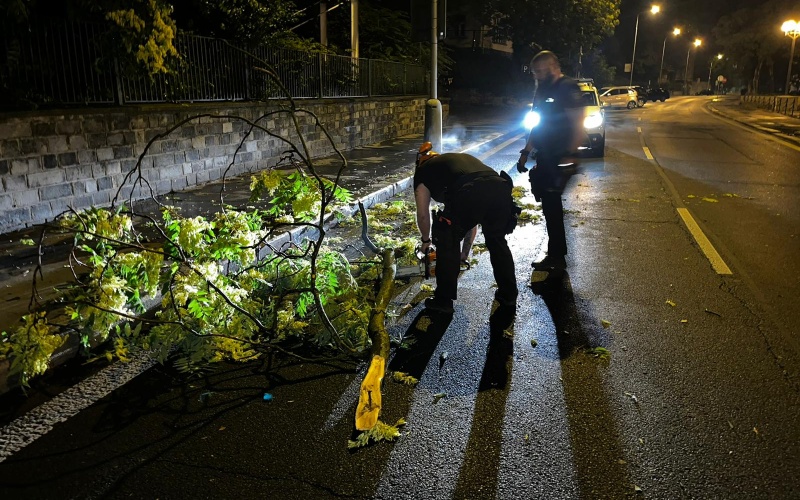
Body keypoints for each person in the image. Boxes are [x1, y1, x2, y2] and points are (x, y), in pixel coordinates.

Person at [414, 142, 518, 314]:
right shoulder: (454, 162)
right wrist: (464, 252)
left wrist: (426, 241)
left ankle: (444, 300)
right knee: (497, 241)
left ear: (420, 163)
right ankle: (509, 294)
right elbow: (473, 217)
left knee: (447, 239)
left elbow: (423, 214)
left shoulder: (423, 173)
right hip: (500, 188)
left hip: (469, 192)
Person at [517, 50, 583, 273]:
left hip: (561, 157)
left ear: (552, 67)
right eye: (535, 73)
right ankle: (555, 254)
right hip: (546, 156)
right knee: (547, 204)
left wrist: (571, 155)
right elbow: (538, 124)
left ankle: (557, 257)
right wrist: (526, 151)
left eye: (539, 72)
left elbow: (579, 123)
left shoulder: (567, 87)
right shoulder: (542, 90)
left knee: (552, 205)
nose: (536, 76)